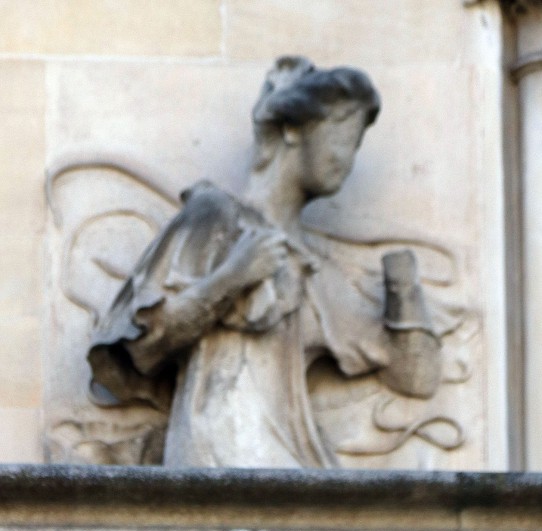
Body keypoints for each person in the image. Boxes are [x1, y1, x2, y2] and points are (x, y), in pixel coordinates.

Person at [88, 56, 441, 468]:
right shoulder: (214, 216)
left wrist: (402, 286)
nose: (348, 158)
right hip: (216, 453)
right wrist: (231, 278)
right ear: (292, 130)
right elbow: (142, 341)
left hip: (294, 463)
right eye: (343, 136)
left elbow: (415, 378)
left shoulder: (312, 267)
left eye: (357, 144)